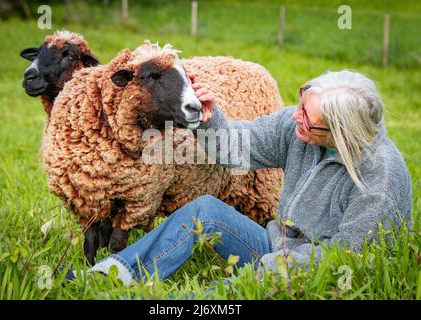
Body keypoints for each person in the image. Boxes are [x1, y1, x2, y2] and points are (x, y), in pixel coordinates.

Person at [67, 70, 412, 285]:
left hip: (313, 268)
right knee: (205, 210)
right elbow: (236, 148)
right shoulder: (298, 128)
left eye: (307, 118)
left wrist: (271, 268)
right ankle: (115, 274)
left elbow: (347, 258)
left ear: (341, 132)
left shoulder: (380, 178)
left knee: (222, 298)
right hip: (274, 245)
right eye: (301, 106)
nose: (295, 118)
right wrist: (206, 120)